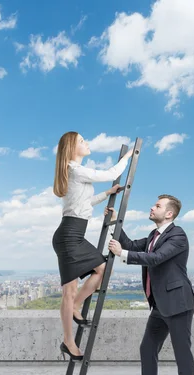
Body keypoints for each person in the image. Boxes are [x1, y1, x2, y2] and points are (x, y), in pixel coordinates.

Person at [107, 195, 194, 375]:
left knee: (182, 355)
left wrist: (122, 254)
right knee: (147, 349)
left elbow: (156, 258)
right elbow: (129, 245)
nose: (152, 207)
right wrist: (115, 222)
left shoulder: (178, 235)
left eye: (157, 205)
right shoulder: (153, 236)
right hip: (159, 305)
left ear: (169, 213)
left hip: (178, 304)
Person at [52, 131, 133, 361]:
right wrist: (128, 157)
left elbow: (84, 203)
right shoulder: (76, 169)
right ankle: (68, 342)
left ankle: (77, 307)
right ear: (71, 147)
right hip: (69, 235)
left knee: (102, 269)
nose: (86, 143)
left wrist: (107, 193)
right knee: (69, 291)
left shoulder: (73, 172)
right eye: (81, 141)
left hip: (73, 233)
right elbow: (110, 173)